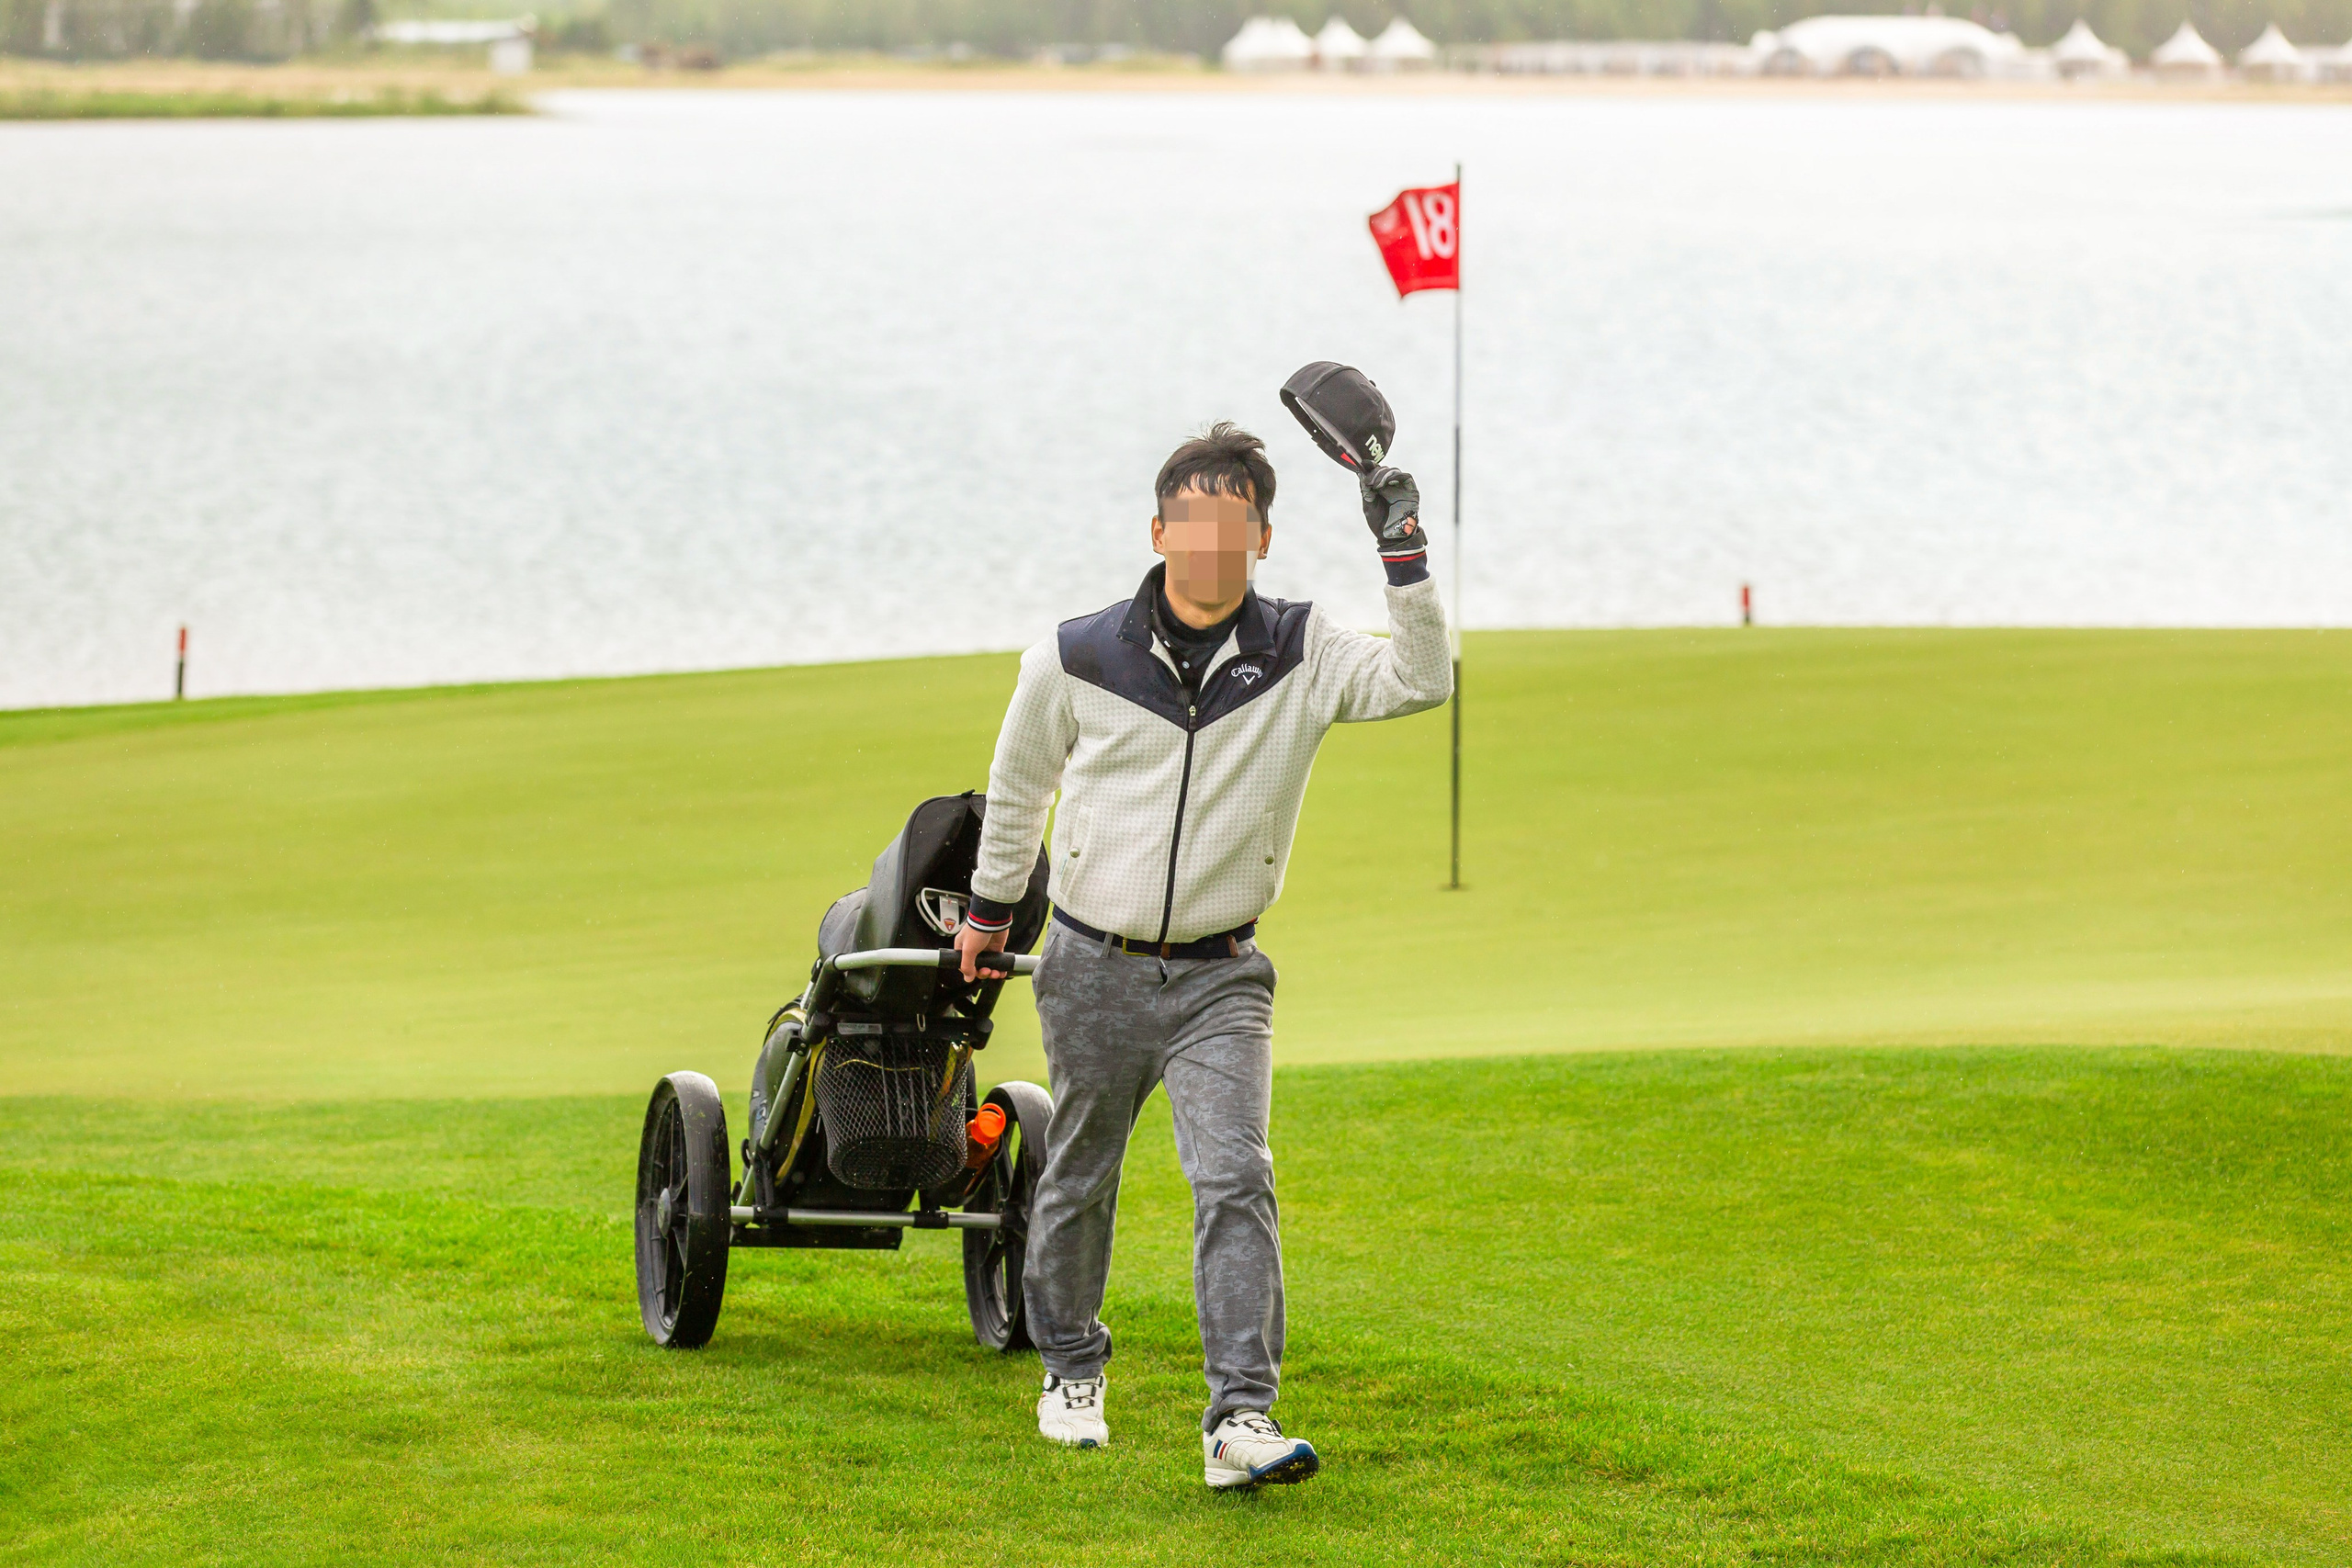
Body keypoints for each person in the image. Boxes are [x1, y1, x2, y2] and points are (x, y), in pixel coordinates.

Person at [952, 419, 1450, 1490]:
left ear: (1262, 539)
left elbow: (1423, 680)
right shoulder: (1076, 653)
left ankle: (1240, 1420)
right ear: (1159, 530)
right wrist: (990, 914)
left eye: (1234, 528)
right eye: (1193, 524)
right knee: (1080, 1173)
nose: (1212, 546)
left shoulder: (1301, 651)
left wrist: (1401, 552)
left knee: (1235, 1177)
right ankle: (1071, 1371)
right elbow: (1018, 789)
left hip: (1225, 973)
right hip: (1093, 961)